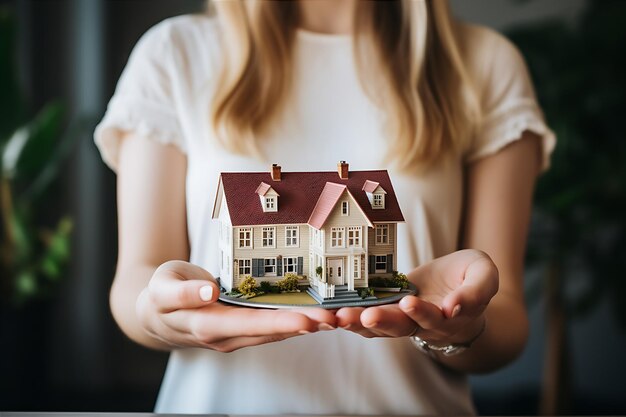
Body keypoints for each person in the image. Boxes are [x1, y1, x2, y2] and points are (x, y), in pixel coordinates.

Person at [94, 0, 555, 414]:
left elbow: (506, 317)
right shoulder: (173, 55)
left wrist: (458, 325)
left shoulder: (485, 64)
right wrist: (162, 313)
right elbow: (136, 279)